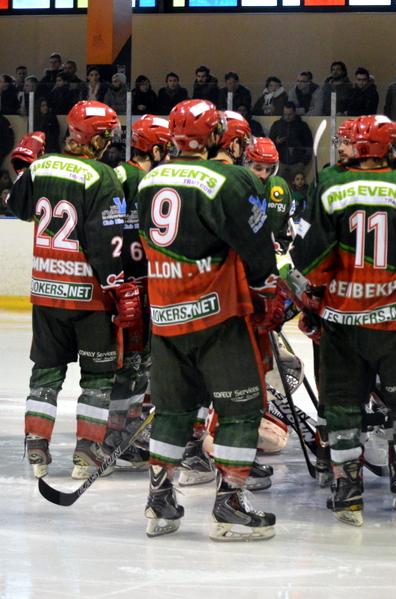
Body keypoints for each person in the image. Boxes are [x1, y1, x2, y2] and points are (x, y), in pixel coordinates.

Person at [291, 115, 396, 526]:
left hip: (343, 322)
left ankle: (347, 490)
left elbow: (309, 257)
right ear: (390, 149)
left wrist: (315, 295)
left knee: (342, 406)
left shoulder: (328, 184)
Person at [138, 98, 285, 541]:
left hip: (164, 316)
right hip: (215, 314)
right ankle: (229, 506)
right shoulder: (229, 178)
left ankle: (159, 502)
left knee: (172, 409)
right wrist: (266, 289)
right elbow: (256, 246)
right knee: (241, 408)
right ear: (216, 135)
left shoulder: (150, 180)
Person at [6, 101, 140, 480]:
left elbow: (16, 207)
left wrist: (23, 170)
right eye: (106, 136)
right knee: (97, 376)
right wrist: (117, 285)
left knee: (45, 371)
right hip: (88, 296)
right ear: (94, 138)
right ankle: (87, 451)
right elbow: (106, 240)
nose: (109, 142)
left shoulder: (42, 166)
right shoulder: (102, 176)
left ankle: (36, 448)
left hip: (46, 291)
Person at [109, 115, 174, 468]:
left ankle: (129, 426)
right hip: (132, 284)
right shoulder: (128, 176)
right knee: (129, 363)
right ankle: (112, 431)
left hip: (147, 283)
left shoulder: (151, 177)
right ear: (157, 147)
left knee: (142, 362)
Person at [245, 136, 293, 252]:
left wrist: (280, 246)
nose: (263, 175)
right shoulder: (235, 185)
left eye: (268, 169)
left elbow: (286, 228)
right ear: (246, 163)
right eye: (258, 168)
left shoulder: (280, 187)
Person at [268, 102, 312, 183]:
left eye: (290, 114)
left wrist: (303, 162)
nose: (287, 117)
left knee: (295, 189)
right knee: (278, 187)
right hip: (280, 163)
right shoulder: (276, 125)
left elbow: (309, 146)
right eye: (285, 114)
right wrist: (276, 142)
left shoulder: (303, 126)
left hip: (297, 164)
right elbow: (269, 144)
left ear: (295, 113)